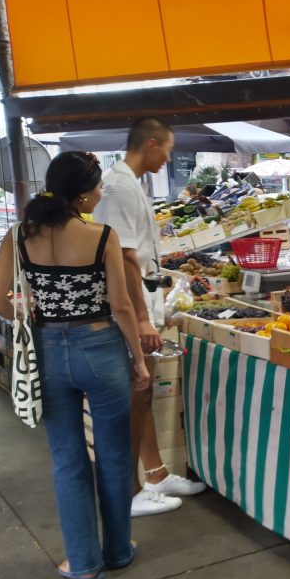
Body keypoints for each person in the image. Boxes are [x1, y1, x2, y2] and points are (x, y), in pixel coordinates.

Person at [0, 152, 150, 579]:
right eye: (96, 188)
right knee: (113, 456)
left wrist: (35, 311)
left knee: (67, 459)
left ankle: (82, 562)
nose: (99, 194)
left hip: (48, 350)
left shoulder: (19, 235)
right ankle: (118, 551)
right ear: (82, 194)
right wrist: (138, 358)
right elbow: (122, 306)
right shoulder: (102, 236)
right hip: (101, 347)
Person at [94, 118, 205, 517]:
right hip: (128, 310)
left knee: (145, 390)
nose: (169, 157)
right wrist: (141, 319)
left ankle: (156, 472)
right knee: (135, 391)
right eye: (168, 150)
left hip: (142, 303)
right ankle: (131, 489)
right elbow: (124, 257)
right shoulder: (120, 187)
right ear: (152, 144)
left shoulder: (130, 184)